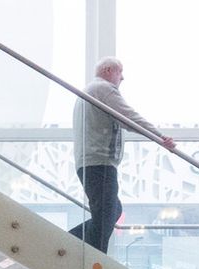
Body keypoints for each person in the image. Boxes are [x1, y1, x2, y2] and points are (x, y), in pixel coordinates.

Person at [69, 57, 175, 253]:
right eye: (120, 72)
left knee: (112, 211)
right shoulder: (103, 89)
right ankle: (88, 257)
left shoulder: (89, 91)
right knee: (105, 219)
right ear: (109, 70)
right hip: (99, 163)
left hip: (91, 162)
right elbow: (129, 118)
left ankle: (68, 243)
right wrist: (160, 138)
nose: (123, 77)